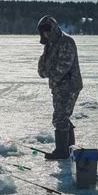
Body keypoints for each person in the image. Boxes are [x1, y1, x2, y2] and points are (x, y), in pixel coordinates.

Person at [37, 15, 83, 160]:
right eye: (43, 32)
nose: (45, 34)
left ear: (54, 28)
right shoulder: (50, 44)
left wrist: (49, 74)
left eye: (47, 30)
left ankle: (62, 152)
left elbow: (63, 66)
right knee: (62, 117)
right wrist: (43, 72)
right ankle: (69, 149)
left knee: (60, 118)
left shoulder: (66, 42)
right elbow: (43, 64)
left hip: (69, 86)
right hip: (58, 87)